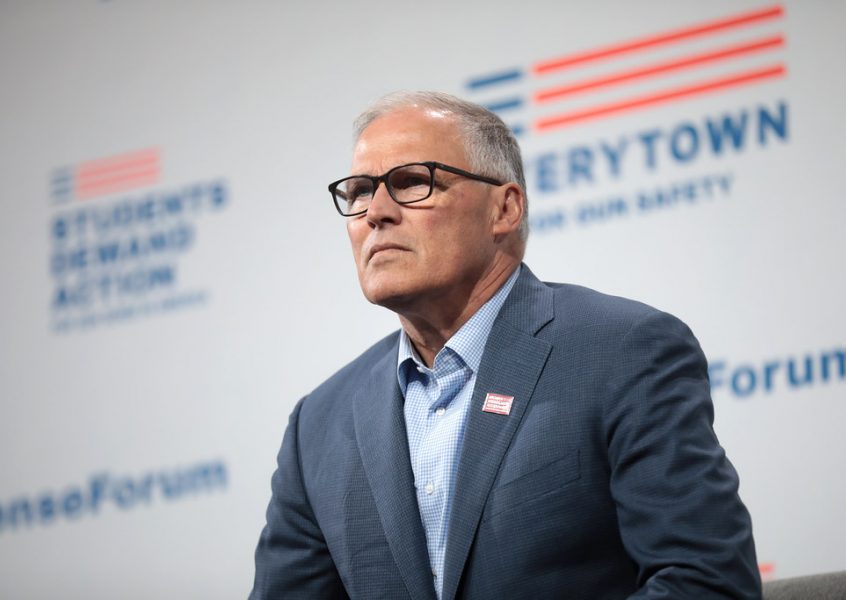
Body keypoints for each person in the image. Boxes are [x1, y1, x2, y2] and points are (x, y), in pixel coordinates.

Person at [251, 91, 761, 599]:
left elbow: (705, 582)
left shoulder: (623, 352)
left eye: (411, 182)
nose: (375, 213)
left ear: (505, 208)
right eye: (360, 191)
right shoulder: (317, 426)